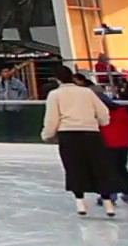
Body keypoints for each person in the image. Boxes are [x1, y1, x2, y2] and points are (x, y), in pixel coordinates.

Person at [42, 72, 115, 216]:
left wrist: (47, 134)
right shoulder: (87, 92)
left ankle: (80, 202)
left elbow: (52, 117)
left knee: (74, 167)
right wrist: (102, 122)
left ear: (58, 79)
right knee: (98, 166)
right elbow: (103, 111)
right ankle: (108, 203)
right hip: (91, 133)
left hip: (68, 134)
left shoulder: (55, 95)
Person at [97, 85, 128, 205]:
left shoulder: (103, 115)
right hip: (124, 144)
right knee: (121, 167)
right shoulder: (123, 112)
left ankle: (110, 193)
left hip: (109, 144)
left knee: (109, 169)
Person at [0, 66, 29, 141]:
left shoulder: (17, 83)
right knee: (7, 125)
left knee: (17, 124)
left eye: (7, 71)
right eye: (4, 72)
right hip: (4, 108)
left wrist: (18, 103)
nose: (6, 73)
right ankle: (8, 138)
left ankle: (19, 138)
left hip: (15, 108)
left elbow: (23, 93)